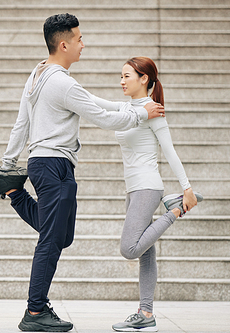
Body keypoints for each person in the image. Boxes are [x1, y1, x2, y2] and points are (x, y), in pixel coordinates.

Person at [0, 14, 166, 332]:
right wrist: (140, 114)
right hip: (54, 166)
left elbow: (35, 118)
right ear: (63, 44)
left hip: (48, 164)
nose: (83, 44)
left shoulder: (38, 73)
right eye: (79, 38)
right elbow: (104, 118)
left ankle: (12, 190)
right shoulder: (63, 82)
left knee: (62, 236)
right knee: (51, 239)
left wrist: (9, 165)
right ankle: (35, 312)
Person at [87, 56, 202, 332]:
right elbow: (96, 102)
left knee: (129, 248)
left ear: (144, 79)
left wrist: (187, 189)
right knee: (146, 254)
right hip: (134, 189)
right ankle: (146, 314)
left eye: (127, 75)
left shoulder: (153, 110)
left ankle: (175, 209)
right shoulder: (129, 109)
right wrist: (66, 83)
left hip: (148, 187)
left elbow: (170, 152)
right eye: (121, 76)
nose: (121, 81)